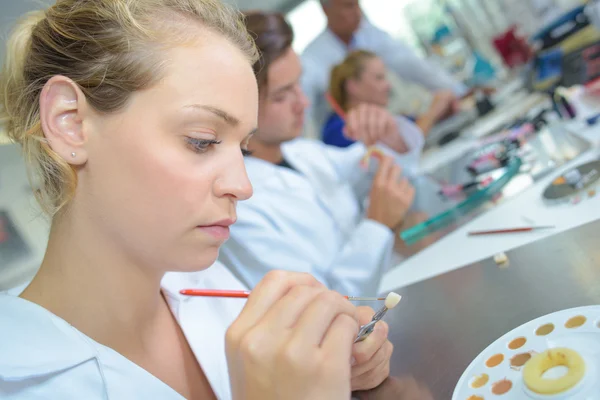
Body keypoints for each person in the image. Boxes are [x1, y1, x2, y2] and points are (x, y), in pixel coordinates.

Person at [0, 1, 396, 398]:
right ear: (71, 123)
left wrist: (335, 373)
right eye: (201, 141)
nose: (243, 186)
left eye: (242, 147)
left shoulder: (207, 286)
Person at [219, 12, 415, 298]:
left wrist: (386, 131)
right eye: (282, 95)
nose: (304, 102)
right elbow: (320, 307)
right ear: (238, 105)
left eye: (298, 84)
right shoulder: (239, 211)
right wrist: (377, 224)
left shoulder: (304, 153)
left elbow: (377, 163)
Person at [301, 0, 468, 128]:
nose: (357, 13)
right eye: (348, 6)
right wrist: (432, 113)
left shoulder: (370, 34)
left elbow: (413, 64)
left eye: (358, 4)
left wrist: (459, 93)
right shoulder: (311, 60)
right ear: (326, 9)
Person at [323, 50, 456, 174]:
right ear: (353, 86)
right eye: (379, 78)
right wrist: (432, 112)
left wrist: (442, 112)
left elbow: (411, 128)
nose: (388, 85)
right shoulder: (338, 131)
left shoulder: (381, 118)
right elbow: (397, 151)